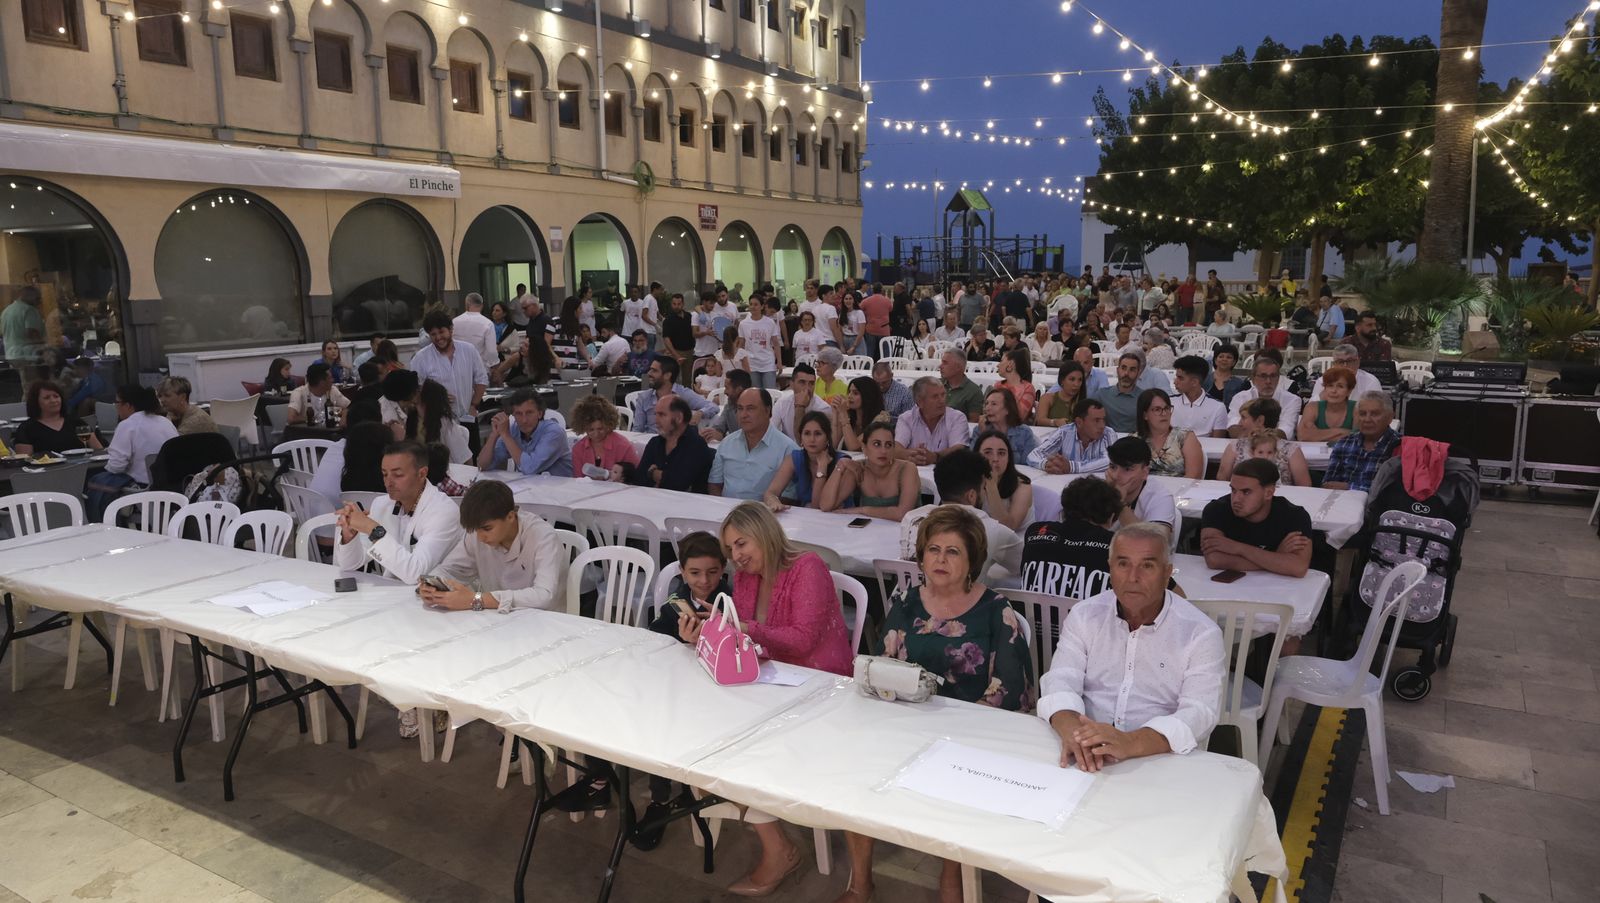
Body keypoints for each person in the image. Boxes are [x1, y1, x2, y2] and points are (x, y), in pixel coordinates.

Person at [838, 505, 1034, 903]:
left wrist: (950, 731)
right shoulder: (908, 601)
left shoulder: (998, 612)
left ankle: (951, 880)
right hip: (907, 722)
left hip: (973, 731)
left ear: (972, 559)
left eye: (953, 552)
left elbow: (1009, 692)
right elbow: (882, 668)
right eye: (933, 550)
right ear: (922, 556)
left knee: (953, 782)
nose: (940, 560)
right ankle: (860, 883)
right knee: (856, 768)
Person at [694, 502, 849, 896]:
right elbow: (748, 639)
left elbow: (802, 639)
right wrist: (707, 631)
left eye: (742, 544)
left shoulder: (807, 567)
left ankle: (777, 849)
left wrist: (744, 628)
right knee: (703, 731)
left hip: (821, 686)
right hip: (772, 681)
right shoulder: (745, 578)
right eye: (731, 550)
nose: (737, 556)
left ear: (764, 533)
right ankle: (774, 841)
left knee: (741, 742)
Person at [1040, 522, 1226, 772]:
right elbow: (1061, 679)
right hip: (1085, 750)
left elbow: (1199, 712)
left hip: (1157, 758)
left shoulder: (1200, 633)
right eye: (1123, 564)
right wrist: (1076, 733)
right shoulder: (1085, 615)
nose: (1132, 577)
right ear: (1110, 568)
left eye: (1147, 565)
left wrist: (1129, 742)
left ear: (1167, 572)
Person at [419, 480, 564, 613]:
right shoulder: (477, 534)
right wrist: (433, 585)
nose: (480, 537)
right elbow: (450, 569)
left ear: (510, 517)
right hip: (494, 615)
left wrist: (475, 599)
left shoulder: (542, 537)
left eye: (487, 529)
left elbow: (544, 596)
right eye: (475, 530)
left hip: (544, 620)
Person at [901, 448, 1022, 580]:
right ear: (971, 495)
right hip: (959, 599)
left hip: (904, 598)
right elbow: (1025, 566)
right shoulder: (992, 529)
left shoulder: (912, 517)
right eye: (983, 488)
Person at [1200, 458, 1314, 578]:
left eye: (1246, 492)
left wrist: (1237, 548)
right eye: (1233, 490)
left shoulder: (1295, 516)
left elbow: (1298, 567)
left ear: (1268, 493)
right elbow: (1214, 560)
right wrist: (1276, 557)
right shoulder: (1216, 509)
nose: (1236, 499)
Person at [1020, 476, 1124, 599]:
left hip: (1029, 617)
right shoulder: (1118, 545)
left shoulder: (1035, 532)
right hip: (1088, 617)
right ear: (1111, 517)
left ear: (1065, 508)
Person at [85, 384, 179, 521]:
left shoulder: (128, 425)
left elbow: (116, 466)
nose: (115, 407)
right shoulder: (165, 422)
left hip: (142, 490)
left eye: (117, 402)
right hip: (171, 486)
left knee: (95, 480)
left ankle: (102, 524)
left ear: (128, 405)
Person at [411, 310, 488, 441]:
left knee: (473, 457)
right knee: (444, 460)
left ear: (451, 329)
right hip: (438, 422)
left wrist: (474, 405)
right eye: (433, 334)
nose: (438, 338)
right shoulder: (421, 358)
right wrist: (434, 395)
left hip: (467, 417)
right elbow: (416, 392)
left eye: (441, 332)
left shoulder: (469, 350)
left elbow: (481, 379)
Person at [819, 421, 920, 522]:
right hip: (870, 534)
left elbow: (903, 514)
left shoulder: (907, 469)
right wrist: (840, 465)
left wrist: (863, 510)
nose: (883, 451)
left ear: (893, 448)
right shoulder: (858, 469)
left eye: (888, 445)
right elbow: (826, 505)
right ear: (864, 447)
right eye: (877, 444)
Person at [709, 388, 798, 500]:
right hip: (727, 513)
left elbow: (789, 497)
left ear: (767, 411)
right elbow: (715, 484)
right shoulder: (727, 443)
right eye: (740, 409)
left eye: (750, 409)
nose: (743, 415)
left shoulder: (788, 449)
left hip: (765, 514)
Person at [763, 411, 847, 511]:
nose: (812, 439)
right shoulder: (795, 458)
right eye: (807, 433)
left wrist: (822, 468)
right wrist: (773, 501)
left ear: (827, 438)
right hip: (807, 518)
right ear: (801, 438)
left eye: (818, 434)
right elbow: (770, 492)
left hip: (841, 519)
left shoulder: (842, 462)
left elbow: (818, 506)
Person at [1217, 398, 1313, 487]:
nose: (1239, 423)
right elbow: (1222, 481)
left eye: (1244, 418)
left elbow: (1304, 487)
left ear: (1260, 420)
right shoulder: (1235, 447)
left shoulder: (1291, 450)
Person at [477, 389, 571, 476]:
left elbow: (530, 468)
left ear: (540, 414)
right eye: (518, 414)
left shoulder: (554, 432)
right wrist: (494, 435)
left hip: (563, 488)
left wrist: (506, 435)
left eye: (529, 413)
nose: (524, 420)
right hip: (531, 486)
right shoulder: (513, 430)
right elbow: (483, 465)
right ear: (513, 415)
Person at [1104, 436, 1180, 546]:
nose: (1116, 476)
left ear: (1145, 472)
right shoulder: (1099, 490)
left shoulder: (1160, 497)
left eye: (1127, 469)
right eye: (1113, 467)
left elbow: (1157, 543)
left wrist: (1119, 504)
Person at [634, 395, 716, 493]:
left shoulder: (696, 445)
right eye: (655, 414)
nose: (656, 420)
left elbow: (678, 484)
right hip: (655, 500)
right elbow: (639, 479)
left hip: (689, 504)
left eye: (662, 415)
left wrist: (652, 473)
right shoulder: (654, 443)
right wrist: (662, 476)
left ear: (679, 418)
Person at [1323, 391, 1401, 492]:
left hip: (1379, 507)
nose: (1367, 419)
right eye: (1362, 414)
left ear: (1390, 417)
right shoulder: (1344, 444)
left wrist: (1349, 487)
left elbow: (1394, 492)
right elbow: (1328, 485)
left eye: (1375, 414)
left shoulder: (1401, 447)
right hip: (1340, 504)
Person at [634, 353, 719, 434]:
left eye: (654, 371)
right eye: (650, 369)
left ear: (667, 375)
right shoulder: (644, 397)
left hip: (677, 443)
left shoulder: (683, 393)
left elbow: (713, 406)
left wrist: (700, 413)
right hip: (652, 442)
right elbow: (637, 430)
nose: (649, 373)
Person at [1028, 397, 1116, 475]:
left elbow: (1112, 460)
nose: (1102, 425)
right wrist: (1046, 464)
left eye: (1103, 419)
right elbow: (1033, 455)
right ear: (1079, 422)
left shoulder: (1108, 433)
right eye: (1096, 420)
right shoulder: (1064, 432)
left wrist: (1072, 467)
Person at [11, 379, 99, 456]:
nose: (53, 401)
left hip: (84, 471)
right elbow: (24, 461)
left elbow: (98, 450)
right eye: (47, 398)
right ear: (36, 402)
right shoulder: (27, 429)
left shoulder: (77, 423)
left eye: (56, 396)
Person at [894, 376, 969, 465]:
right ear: (920, 402)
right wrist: (910, 455)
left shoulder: (957, 418)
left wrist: (934, 457)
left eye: (943, 394)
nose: (941, 401)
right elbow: (896, 448)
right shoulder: (906, 418)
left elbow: (959, 449)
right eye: (935, 397)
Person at [1227, 354, 1303, 439]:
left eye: (1273, 376)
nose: (1268, 381)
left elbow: (1286, 431)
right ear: (1253, 378)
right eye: (1263, 376)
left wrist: (1254, 434)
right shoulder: (1240, 397)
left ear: (1279, 378)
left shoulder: (1292, 400)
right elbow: (1232, 427)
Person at [974, 428, 1033, 532]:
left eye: (1001, 453)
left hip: (1015, 542)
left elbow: (1008, 527)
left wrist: (991, 486)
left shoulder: (1022, 486)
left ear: (1009, 458)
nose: (995, 458)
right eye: (988, 452)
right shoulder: (971, 482)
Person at [1136, 388, 1203, 479]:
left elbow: (1193, 477)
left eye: (1167, 408)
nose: (1164, 413)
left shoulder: (1185, 437)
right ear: (1145, 415)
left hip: (1180, 491)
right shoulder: (1135, 440)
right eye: (1157, 409)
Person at [570, 394, 639, 479]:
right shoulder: (578, 449)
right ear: (583, 427)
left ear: (608, 424)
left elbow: (637, 478)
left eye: (600, 429)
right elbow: (578, 480)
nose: (596, 434)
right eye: (591, 430)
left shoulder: (623, 446)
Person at [409, 379, 471, 464]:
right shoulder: (411, 417)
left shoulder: (444, 422)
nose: (416, 391)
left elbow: (464, 457)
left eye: (420, 389)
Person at [1169, 355, 1229, 438]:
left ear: (1194, 382)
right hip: (1173, 449)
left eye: (1180, 378)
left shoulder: (1218, 407)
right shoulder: (1169, 402)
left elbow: (1218, 442)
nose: (1175, 382)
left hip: (1205, 450)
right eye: (1176, 377)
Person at [973, 386, 1037, 463]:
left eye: (994, 404)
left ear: (1007, 409)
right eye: (986, 404)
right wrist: (984, 435)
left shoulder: (1024, 433)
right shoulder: (979, 430)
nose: (987, 408)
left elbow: (1029, 463)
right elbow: (973, 460)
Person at [1297, 366, 1357, 443]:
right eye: (1330, 386)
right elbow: (1303, 436)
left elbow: (1358, 439)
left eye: (1340, 386)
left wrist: (1317, 434)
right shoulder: (1312, 407)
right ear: (1325, 388)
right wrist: (1342, 432)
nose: (1334, 391)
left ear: (1349, 391)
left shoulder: (1357, 408)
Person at [772, 362, 830, 441]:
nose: (807, 388)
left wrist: (800, 407)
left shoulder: (823, 409)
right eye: (802, 382)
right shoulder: (782, 403)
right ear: (791, 384)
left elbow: (803, 442)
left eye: (811, 383)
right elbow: (771, 431)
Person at [1093, 350, 1146, 434]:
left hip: (1134, 443)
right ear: (1117, 370)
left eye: (1132, 370)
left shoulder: (1144, 398)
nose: (1126, 373)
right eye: (1123, 368)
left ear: (1138, 373)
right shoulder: (1102, 395)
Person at [1310, 343, 1383, 400]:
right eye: (1340, 362)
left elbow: (1378, 408)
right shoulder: (1322, 381)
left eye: (1349, 361)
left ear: (1357, 362)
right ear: (1334, 364)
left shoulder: (1370, 381)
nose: (1345, 366)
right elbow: (1312, 406)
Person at [286, 362, 350, 427]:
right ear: (322, 382)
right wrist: (315, 419)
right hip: (307, 433)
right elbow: (291, 418)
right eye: (330, 378)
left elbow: (350, 406)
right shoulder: (298, 393)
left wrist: (344, 416)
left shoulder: (332, 390)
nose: (332, 380)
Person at [736, 298, 782, 389]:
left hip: (768, 362)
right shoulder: (743, 324)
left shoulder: (770, 322)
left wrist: (779, 362)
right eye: (751, 304)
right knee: (755, 394)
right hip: (751, 364)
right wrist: (738, 361)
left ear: (762, 306)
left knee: (769, 392)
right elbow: (741, 344)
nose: (753, 307)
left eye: (756, 304)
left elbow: (776, 344)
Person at [832, 375, 885, 453]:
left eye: (855, 393)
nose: (849, 396)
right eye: (849, 392)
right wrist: (835, 413)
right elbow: (834, 445)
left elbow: (854, 448)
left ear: (867, 395)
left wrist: (843, 414)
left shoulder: (881, 418)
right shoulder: (848, 414)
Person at [700, 368, 751, 442]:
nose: (725, 392)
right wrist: (710, 433)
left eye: (727, 388)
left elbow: (748, 439)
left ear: (739, 390)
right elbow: (719, 428)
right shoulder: (730, 406)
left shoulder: (755, 411)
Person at [2, 286, 46, 365]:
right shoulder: (29, 310)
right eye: (37, 298)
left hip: (11, 355)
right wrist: (46, 343)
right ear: (28, 296)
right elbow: (31, 333)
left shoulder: (6, 311)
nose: (39, 302)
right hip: (29, 355)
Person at [1035, 361, 1086, 429]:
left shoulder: (1083, 402)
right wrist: (1054, 422)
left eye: (1080, 380)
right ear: (1062, 381)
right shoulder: (1048, 398)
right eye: (1072, 379)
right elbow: (1039, 420)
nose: (1076, 384)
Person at [939, 348, 983, 422]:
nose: (940, 366)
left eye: (945, 363)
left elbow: (973, 423)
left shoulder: (974, 392)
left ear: (958, 367)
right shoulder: (936, 385)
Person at [996, 348, 1037, 422]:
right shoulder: (998, 385)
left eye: (1001, 361)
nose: (998, 365)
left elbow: (1019, 417)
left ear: (1010, 364)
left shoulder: (1028, 388)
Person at [692, 291, 723, 363]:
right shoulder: (696, 315)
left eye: (714, 303)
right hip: (701, 353)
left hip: (714, 352)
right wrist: (706, 333)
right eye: (710, 303)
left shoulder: (716, 315)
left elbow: (719, 335)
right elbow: (694, 334)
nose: (712, 305)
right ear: (704, 302)